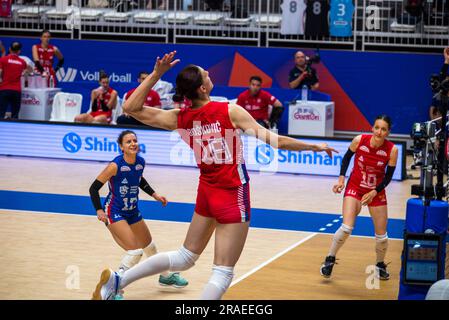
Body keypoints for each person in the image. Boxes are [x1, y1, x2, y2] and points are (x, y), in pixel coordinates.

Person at [91, 51, 337, 300]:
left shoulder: (181, 118)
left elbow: (130, 107)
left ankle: (118, 280)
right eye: (206, 75)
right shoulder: (230, 111)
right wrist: (314, 146)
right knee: (222, 272)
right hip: (233, 193)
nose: (210, 75)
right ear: (202, 88)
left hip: (207, 191)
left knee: (185, 257)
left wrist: (157, 74)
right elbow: (277, 142)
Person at [89, 130, 188, 300]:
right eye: (128, 142)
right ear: (121, 147)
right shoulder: (115, 166)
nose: (133, 143)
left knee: (150, 246)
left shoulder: (140, 162)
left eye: (135, 140)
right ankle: (115, 289)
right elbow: (93, 188)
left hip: (133, 211)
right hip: (114, 211)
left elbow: (139, 179)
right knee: (135, 252)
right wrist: (99, 210)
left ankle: (165, 276)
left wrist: (155, 194)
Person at [320, 115, 398, 281]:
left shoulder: (392, 150)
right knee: (347, 228)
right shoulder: (359, 140)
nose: (379, 132)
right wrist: (341, 178)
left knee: (382, 236)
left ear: (388, 132)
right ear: (372, 128)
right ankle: (330, 259)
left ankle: (379, 265)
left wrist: (374, 192)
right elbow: (347, 158)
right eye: (377, 127)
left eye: (383, 129)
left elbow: (388, 178)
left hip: (375, 192)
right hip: (355, 187)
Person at [0, 42, 32, 119]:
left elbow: (0, 72)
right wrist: (25, 72)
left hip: (4, 89)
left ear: (10, 49)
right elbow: (30, 70)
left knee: (1, 114)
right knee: (15, 115)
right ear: (19, 51)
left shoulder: (3, 59)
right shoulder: (22, 62)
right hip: (16, 91)